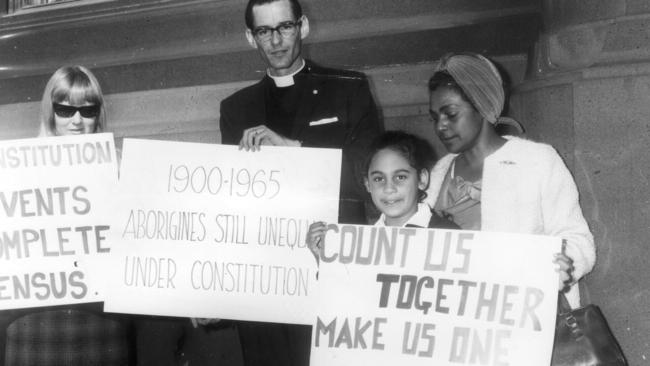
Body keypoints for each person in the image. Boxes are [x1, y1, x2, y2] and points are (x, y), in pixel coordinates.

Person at [218, 1, 382, 365]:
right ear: (250, 37)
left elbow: (367, 176)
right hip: (266, 286)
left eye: (285, 27)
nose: (276, 41)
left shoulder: (349, 88)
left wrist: (295, 149)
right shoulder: (235, 109)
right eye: (264, 31)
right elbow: (234, 202)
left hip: (334, 271)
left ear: (303, 27)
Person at [425, 52, 596, 308]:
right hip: (455, 319)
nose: (440, 126)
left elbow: (577, 239)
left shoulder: (537, 160)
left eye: (450, 114)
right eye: (435, 117)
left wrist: (563, 264)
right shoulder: (439, 173)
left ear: (481, 106)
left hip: (519, 319)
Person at [0, 65, 136, 365]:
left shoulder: (119, 166)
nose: (76, 121)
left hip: (101, 322)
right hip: (33, 323)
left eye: (87, 111)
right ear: (51, 111)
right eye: (65, 110)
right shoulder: (14, 169)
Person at [307, 131, 459, 262]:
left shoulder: (449, 236)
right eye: (379, 179)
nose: (389, 188)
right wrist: (324, 262)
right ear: (367, 184)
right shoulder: (359, 245)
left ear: (422, 179)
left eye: (400, 177)